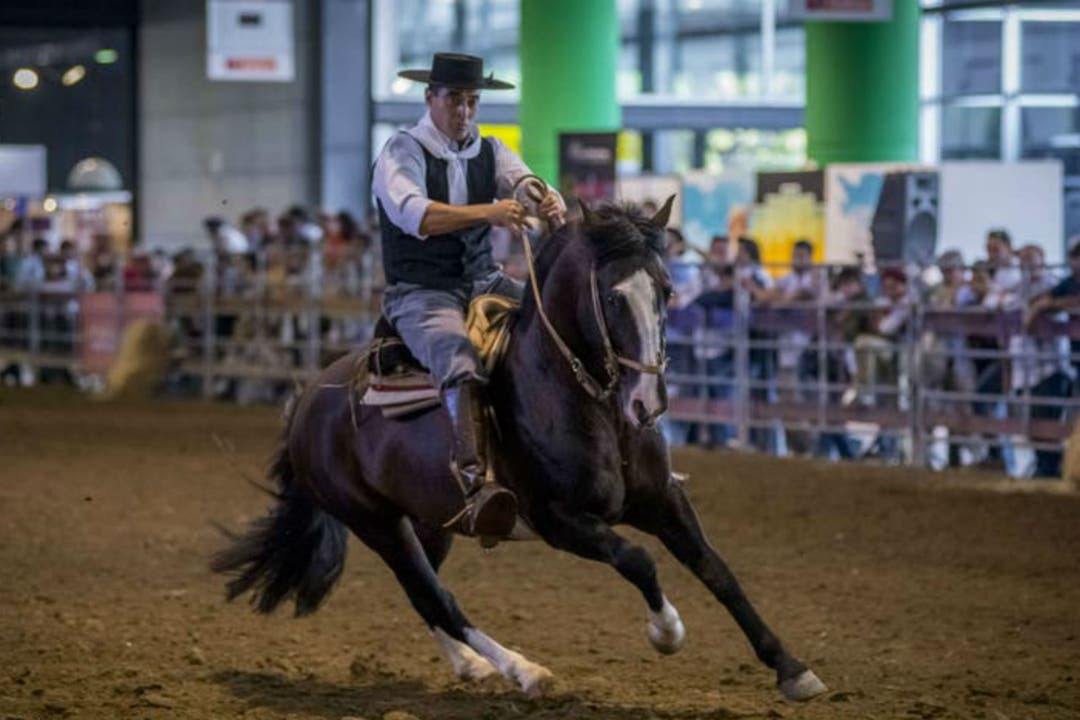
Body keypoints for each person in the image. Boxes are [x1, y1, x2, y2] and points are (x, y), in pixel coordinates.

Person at [371, 53, 565, 538]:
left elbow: (521, 182)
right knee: (459, 363)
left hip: (483, 281)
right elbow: (418, 216)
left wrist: (543, 195)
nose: (465, 110)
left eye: (472, 101)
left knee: (558, 328)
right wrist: (489, 213)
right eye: (455, 99)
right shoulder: (402, 151)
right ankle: (476, 484)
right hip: (421, 292)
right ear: (430, 98)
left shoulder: (492, 149)